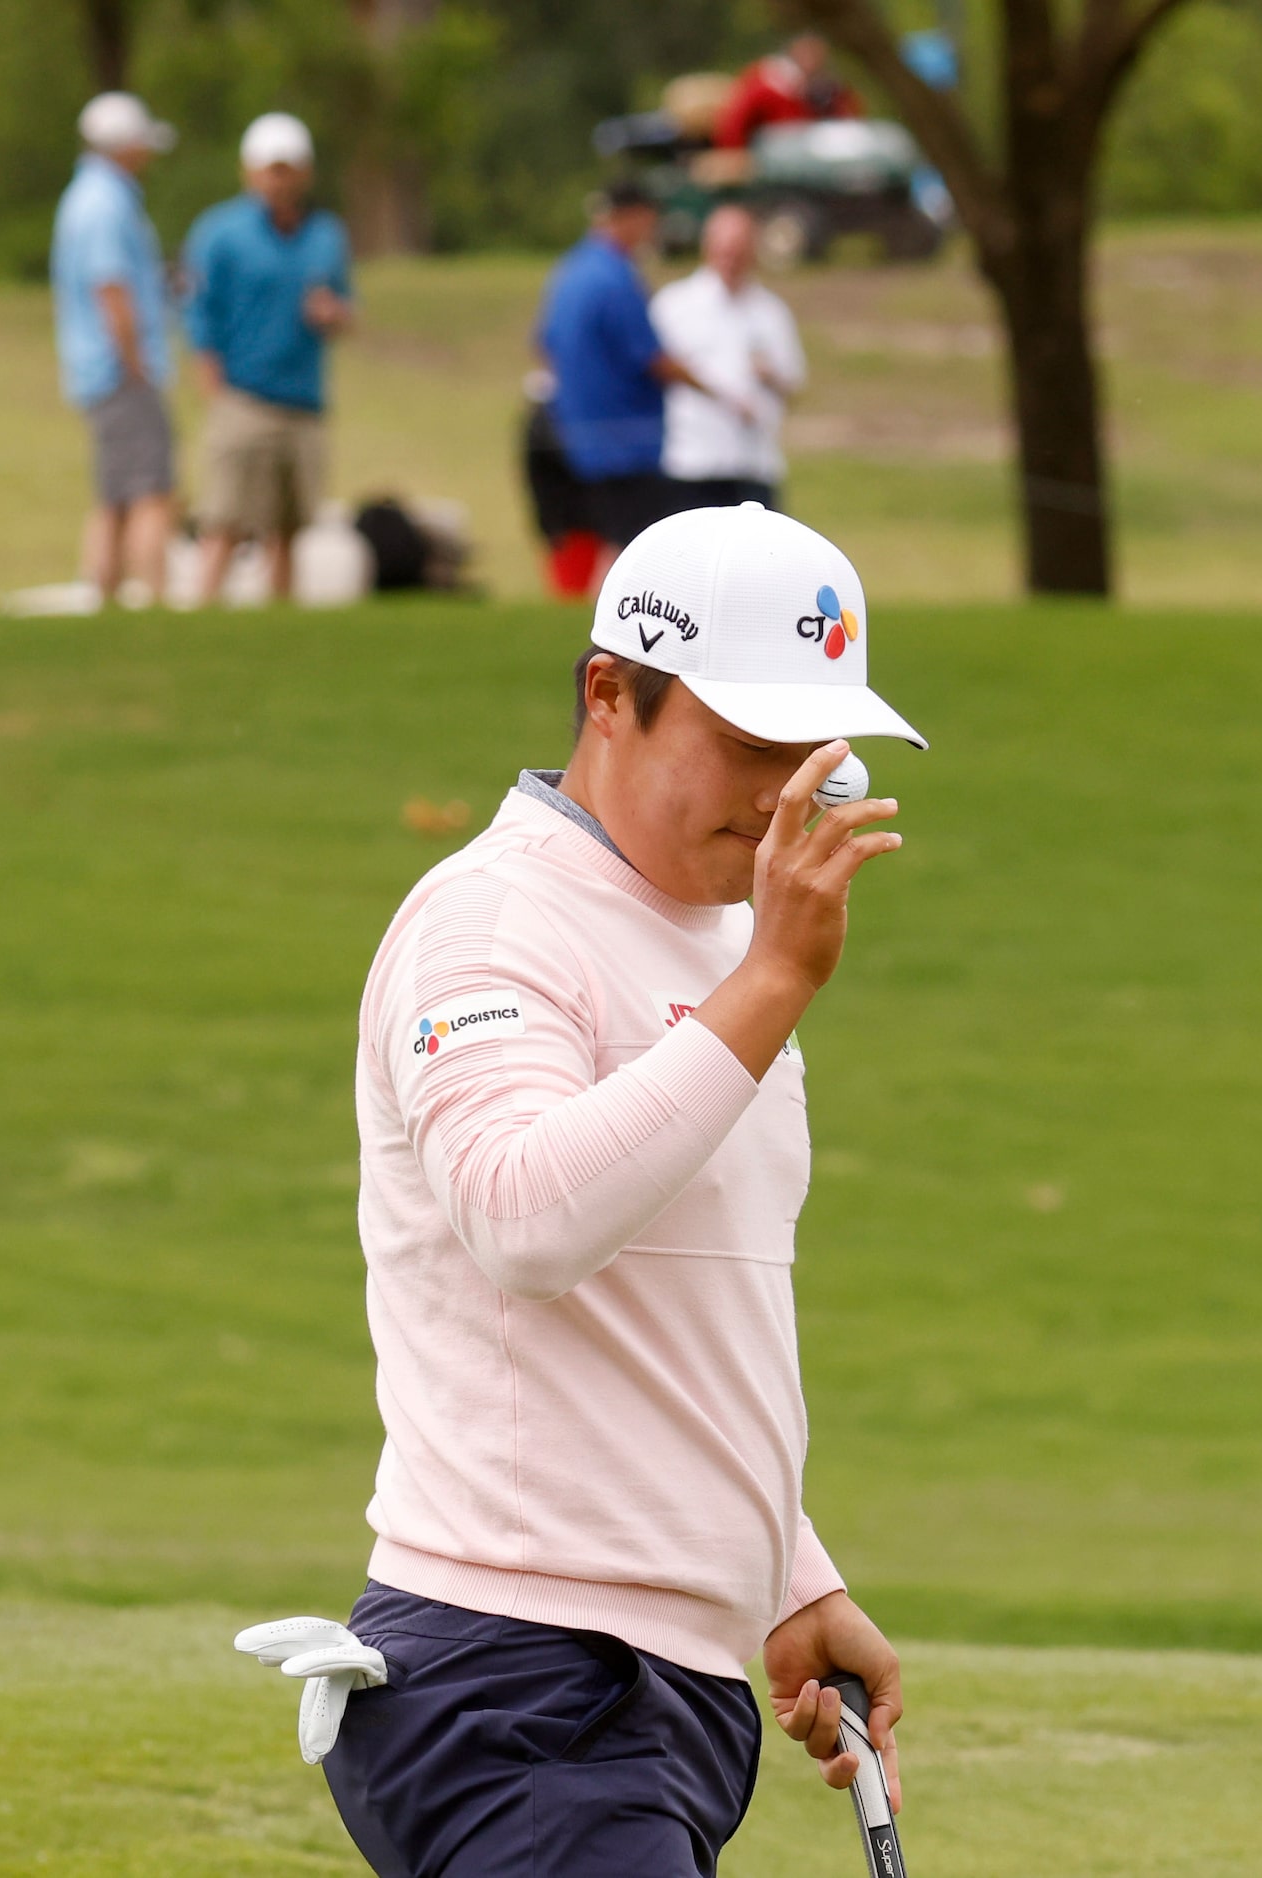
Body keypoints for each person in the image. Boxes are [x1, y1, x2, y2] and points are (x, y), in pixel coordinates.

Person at [320, 501, 922, 1874]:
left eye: (814, 755)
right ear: (610, 693)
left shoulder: (717, 941)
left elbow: (681, 1316)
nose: (785, 793)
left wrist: (785, 1574)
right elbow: (523, 1219)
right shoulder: (490, 924)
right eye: (748, 741)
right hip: (517, 1676)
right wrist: (771, 981)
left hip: (661, 1681)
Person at [182, 113, 353, 606]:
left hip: (303, 397)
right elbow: (197, 313)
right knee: (224, 519)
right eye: (271, 169)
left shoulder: (325, 235)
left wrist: (333, 314)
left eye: (289, 169)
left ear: (305, 173)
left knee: (289, 526)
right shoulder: (220, 233)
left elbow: (345, 309)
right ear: (250, 172)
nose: (280, 179)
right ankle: (203, 610)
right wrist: (212, 384)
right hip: (243, 394)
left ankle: (279, 620)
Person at [533, 179, 717, 579]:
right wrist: (717, 391)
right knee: (640, 547)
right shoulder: (615, 278)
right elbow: (653, 359)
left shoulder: (570, 269)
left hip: (576, 430)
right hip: (625, 438)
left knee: (593, 532)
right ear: (632, 217)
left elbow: (544, 344)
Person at [50, 92, 179, 608]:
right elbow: (112, 289)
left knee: (115, 494)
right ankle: (154, 595)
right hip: (121, 371)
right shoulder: (105, 204)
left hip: (99, 371)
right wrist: (137, 362)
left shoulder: (88, 196)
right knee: (151, 490)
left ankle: (103, 595)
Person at [652, 205, 808, 510]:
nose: (730, 261)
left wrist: (770, 375)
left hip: (753, 460)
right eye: (724, 251)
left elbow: (795, 381)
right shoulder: (675, 305)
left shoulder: (770, 311)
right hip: (692, 458)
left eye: (738, 252)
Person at [715, 33, 864, 150]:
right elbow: (734, 122)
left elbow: (848, 117)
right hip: (769, 152)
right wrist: (735, 151)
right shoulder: (766, 82)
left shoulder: (825, 87)